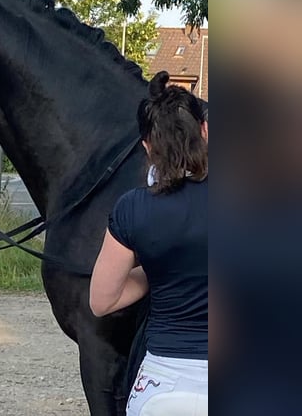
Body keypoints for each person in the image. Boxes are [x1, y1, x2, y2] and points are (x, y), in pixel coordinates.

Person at [90, 71, 208, 416]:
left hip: (164, 386)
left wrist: (157, 272)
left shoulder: (132, 208)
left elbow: (102, 301)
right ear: (204, 131)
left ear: (147, 146)